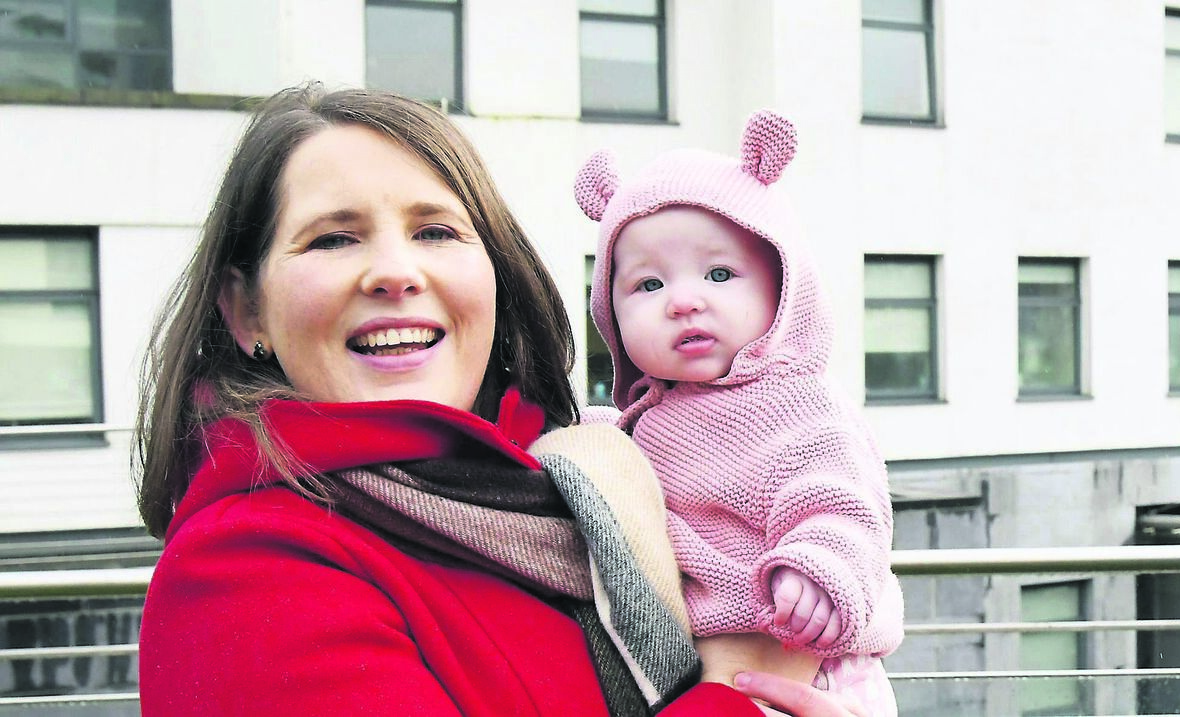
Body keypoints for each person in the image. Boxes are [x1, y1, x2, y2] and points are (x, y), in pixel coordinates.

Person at [133, 83, 860, 716]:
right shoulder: (241, 576)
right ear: (246, 311)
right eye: (333, 239)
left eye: (436, 230)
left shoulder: (581, 478)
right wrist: (745, 692)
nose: (395, 271)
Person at [574, 110, 905, 715]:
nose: (684, 301)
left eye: (720, 273)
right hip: (695, 668)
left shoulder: (797, 404)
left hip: (804, 662)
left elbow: (844, 504)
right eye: (648, 285)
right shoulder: (646, 417)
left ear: (782, 287)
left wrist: (818, 571)